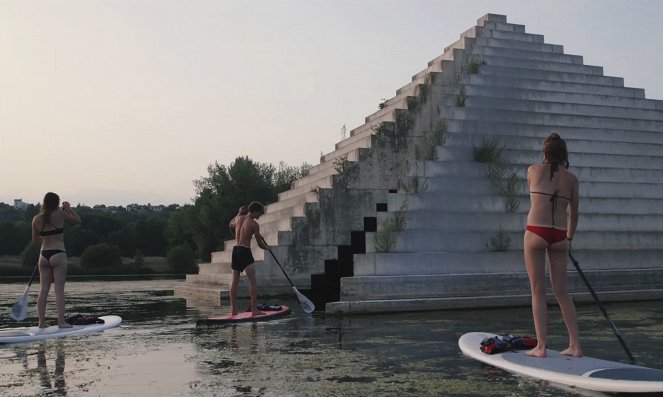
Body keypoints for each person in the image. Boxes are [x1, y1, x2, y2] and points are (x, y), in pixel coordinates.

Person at [523, 132, 582, 358]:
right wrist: (569, 237)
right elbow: (574, 212)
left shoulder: (532, 171)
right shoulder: (572, 179)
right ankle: (575, 345)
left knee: (538, 290)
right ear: (564, 154)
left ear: (545, 152)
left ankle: (541, 347)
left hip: (536, 231)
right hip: (559, 235)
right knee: (562, 292)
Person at [31, 192, 81, 328]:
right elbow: (77, 221)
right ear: (57, 203)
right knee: (59, 290)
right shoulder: (60, 214)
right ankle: (61, 322)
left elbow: (35, 241)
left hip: (43, 255)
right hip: (58, 253)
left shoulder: (36, 219)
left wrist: (46, 238)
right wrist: (69, 208)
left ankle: (41, 322)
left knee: (43, 290)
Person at [228, 201, 270, 316]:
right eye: (260, 213)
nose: (260, 216)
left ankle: (234, 310)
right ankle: (255, 310)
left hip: (235, 250)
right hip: (245, 251)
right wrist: (268, 248)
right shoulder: (254, 225)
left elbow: (230, 224)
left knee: (234, 282)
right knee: (252, 281)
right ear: (255, 211)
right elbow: (260, 244)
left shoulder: (238, 218)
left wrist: (238, 213)